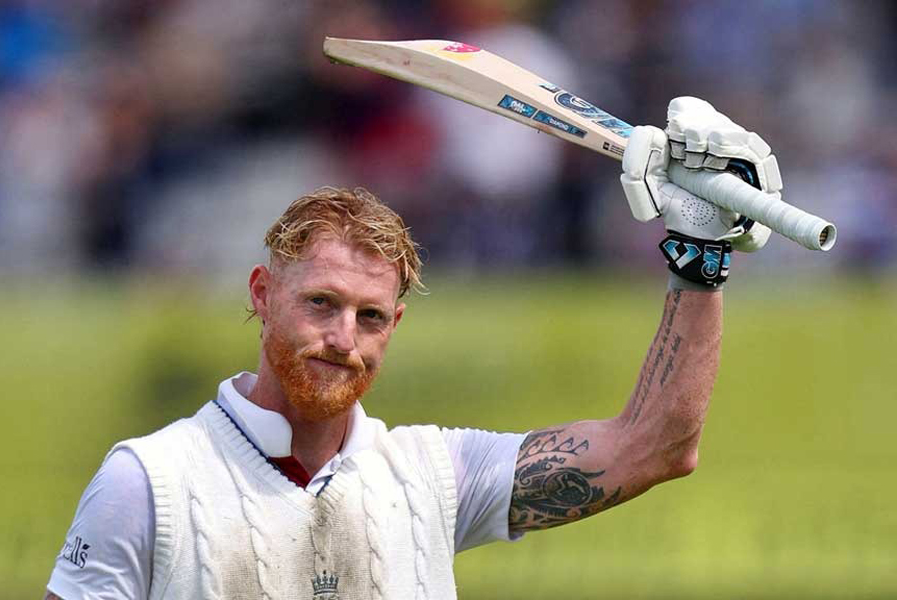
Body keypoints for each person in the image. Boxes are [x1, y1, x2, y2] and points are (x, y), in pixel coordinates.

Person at [46, 97, 779, 599]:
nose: (342, 340)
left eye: (369, 316)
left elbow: (655, 447)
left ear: (393, 326)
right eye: (320, 304)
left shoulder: (432, 475)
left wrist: (701, 257)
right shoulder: (147, 483)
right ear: (262, 294)